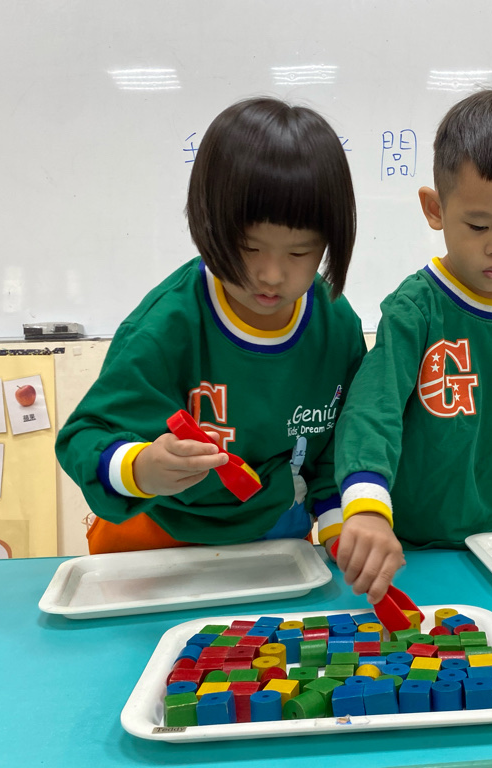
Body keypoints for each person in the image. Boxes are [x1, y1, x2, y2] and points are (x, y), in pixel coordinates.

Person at [56, 97, 366, 555]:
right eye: (249, 247)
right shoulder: (167, 324)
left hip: (275, 535)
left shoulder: (335, 326)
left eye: (300, 252)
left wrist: (342, 528)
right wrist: (141, 468)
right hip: (156, 537)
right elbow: (85, 436)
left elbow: (340, 448)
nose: (271, 275)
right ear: (207, 223)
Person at [334, 89, 492, 602]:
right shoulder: (416, 308)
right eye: (478, 225)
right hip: (423, 549)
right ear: (435, 208)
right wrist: (368, 507)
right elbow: (372, 410)